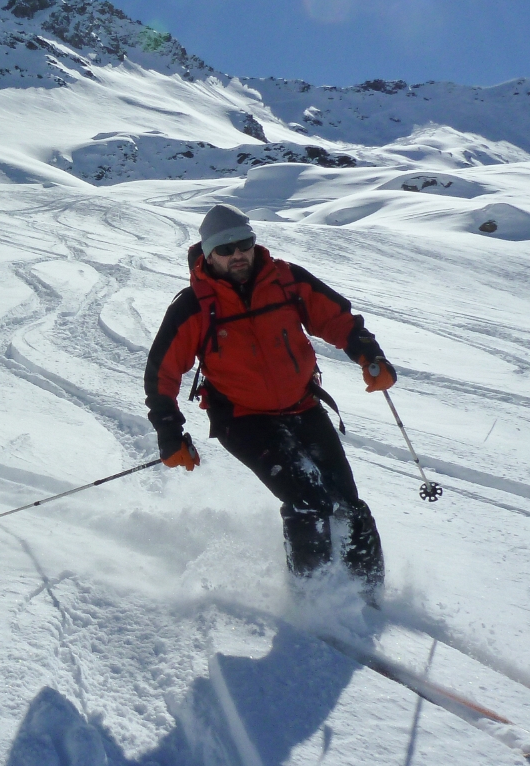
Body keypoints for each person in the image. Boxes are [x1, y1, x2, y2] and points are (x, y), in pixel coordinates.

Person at [144, 204, 397, 599]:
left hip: (302, 404)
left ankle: (369, 593)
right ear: (208, 254)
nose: (237, 254)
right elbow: (162, 373)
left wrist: (370, 356)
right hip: (242, 418)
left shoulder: (285, 280)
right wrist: (170, 433)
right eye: (225, 250)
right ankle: (314, 600)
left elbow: (336, 318)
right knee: (308, 499)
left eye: (243, 243)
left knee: (347, 502)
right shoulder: (193, 305)